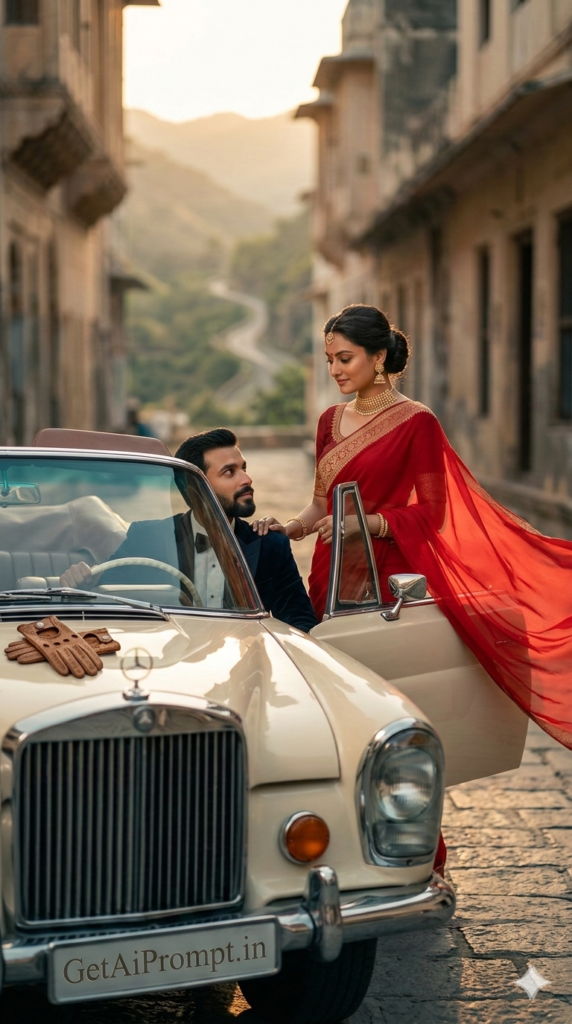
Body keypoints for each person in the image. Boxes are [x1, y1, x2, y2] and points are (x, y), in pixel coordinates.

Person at [266, 304, 572, 753]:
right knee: (337, 693)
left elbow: (434, 512)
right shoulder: (329, 421)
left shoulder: (416, 422)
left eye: (344, 358)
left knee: (386, 696)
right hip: (331, 573)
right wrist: (291, 526)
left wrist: (364, 524)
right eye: (329, 359)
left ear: (377, 358)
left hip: (388, 575)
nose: (334, 369)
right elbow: (319, 501)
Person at [61, 428, 317, 634]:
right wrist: (79, 582)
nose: (246, 479)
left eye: (244, 469)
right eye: (229, 472)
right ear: (195, 489)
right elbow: (102, 598)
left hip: (245, 667)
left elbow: (301, 624)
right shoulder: (148, 536)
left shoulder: (270, 544)